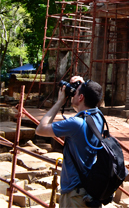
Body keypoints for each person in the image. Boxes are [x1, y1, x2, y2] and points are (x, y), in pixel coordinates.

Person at [36, 76, 104, 207]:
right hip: (89, 190)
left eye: (76, 93)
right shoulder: (98, 117)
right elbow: (86, 106)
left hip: (74, 194)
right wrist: (84, 87)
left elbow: (40, 129)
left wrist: (60, 101)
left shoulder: (75, 124)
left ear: (81, 98)